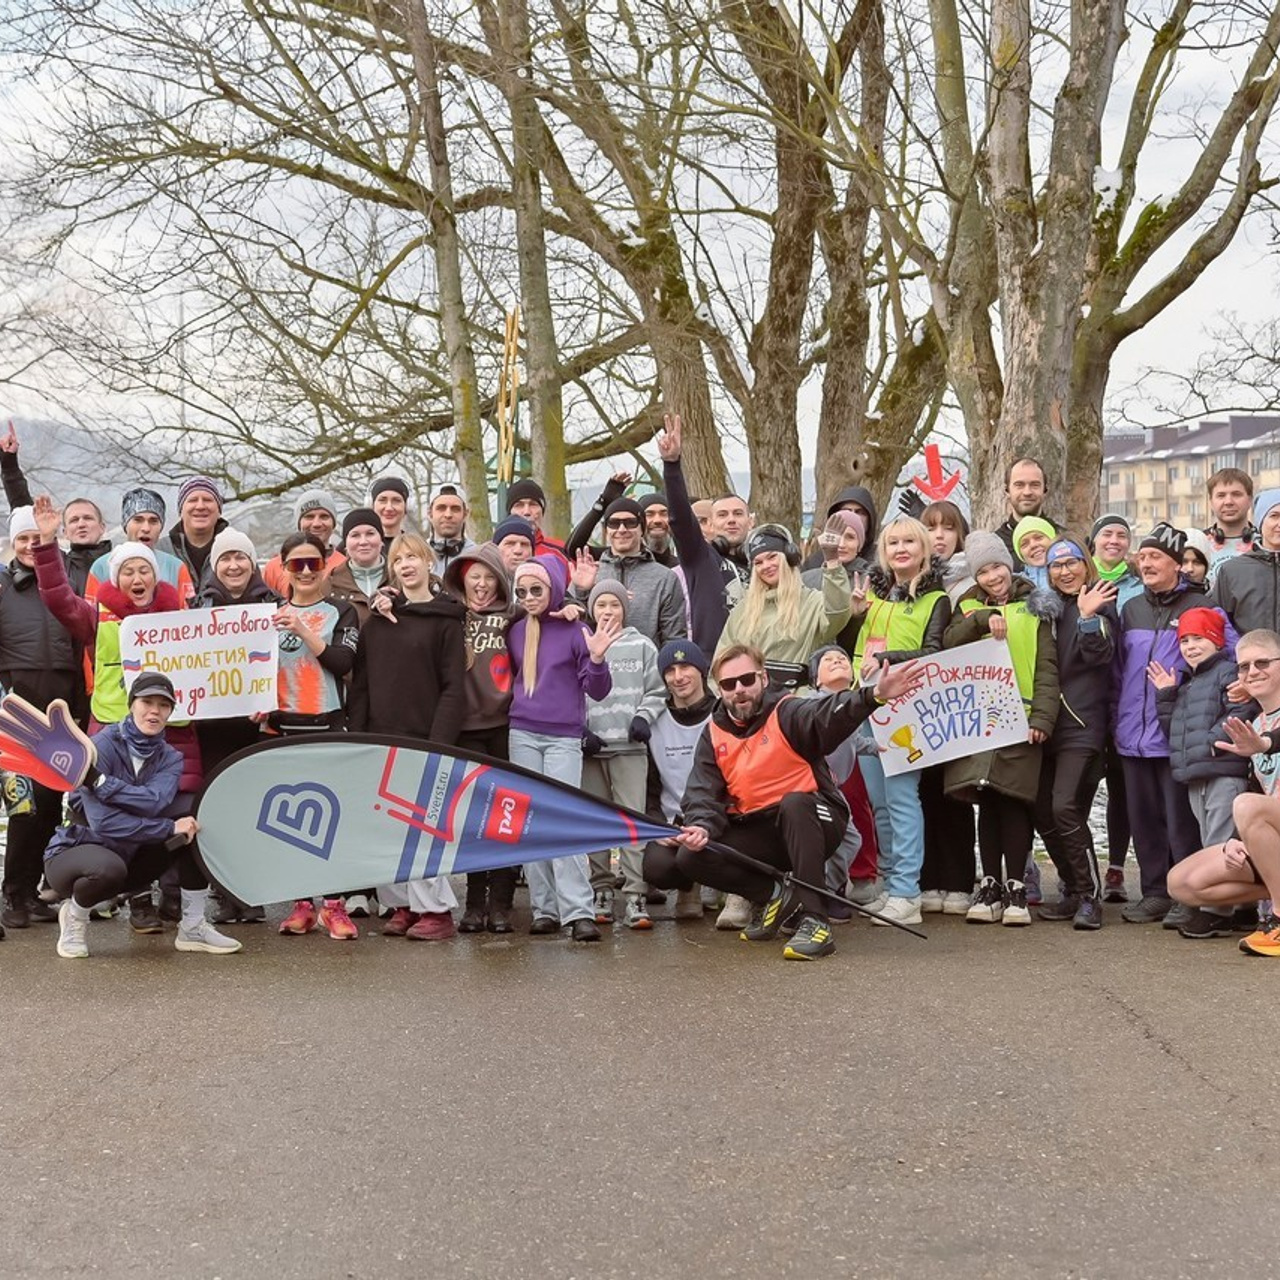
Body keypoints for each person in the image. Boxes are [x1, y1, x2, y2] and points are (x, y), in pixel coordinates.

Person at [670, 643, 923, 962]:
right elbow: (701, 793)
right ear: (719, 690)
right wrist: (701, 827)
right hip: (764, 830)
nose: (739, 690)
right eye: (729, 684)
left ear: (763, 678)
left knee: (794, 803)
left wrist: (872, 696)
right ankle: (775, 896)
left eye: (747, 679)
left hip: (818, 819)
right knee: (690, 856)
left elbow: (828, 713)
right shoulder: (713, 733)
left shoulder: (787, 710)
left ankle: (816, 922)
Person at [34, 498, 203, 933]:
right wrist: (48, 543)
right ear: (116, 578)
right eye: (127, 571)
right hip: (110, 735)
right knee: (118, 820)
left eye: (144, 570)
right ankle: (138, 903)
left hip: (174, 737)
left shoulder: (182, 619)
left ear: (155, 575)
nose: (136, 578)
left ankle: (181, 908)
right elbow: (56, 597)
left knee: (180, 816)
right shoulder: (97, 618)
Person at [45, 671, 241, 960]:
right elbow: (103, 823)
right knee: (108, 868)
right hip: (78, 853)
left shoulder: (170, 757)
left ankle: (192, 926)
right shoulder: (99, 746)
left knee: (194, 819)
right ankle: (75, 916)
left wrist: (102, 784)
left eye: (163, 705)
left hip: (130, 855)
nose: (154, 711)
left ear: (171, 712)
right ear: (131, 705)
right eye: (146, 702)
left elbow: (155, 801)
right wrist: (166, 827)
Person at [349, 532, 467, 942]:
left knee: (423, 829)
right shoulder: (377, 624)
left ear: (428, 563)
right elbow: (361, 685)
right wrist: (358, 734)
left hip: (425, 737)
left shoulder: (447, 620)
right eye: (398, 559)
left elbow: (454, 686)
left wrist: (440, 741)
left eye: (414, 557)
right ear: (391, 569)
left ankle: (436, 910)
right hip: (381, 736)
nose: (406, 564)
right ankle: (402, 904)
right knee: (388, 828)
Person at [1112, 522, 1232, 923]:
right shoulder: (1131, 608)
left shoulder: (1203, 606)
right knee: (1143, 818)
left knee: (1181, 820)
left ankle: (1187, 894)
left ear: (1177, 564)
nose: (1145, 564)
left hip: (1176, 731)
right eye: (1142, 557)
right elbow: (1117, 668)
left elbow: (1228, 656)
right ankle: (1154, 892)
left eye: (1155, 557)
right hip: (1131, 731)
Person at [943, 532, 1059, 927]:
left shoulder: (1035, 606)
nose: (994, 576)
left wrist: (1043, 718)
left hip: (1022, 718)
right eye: (984, 570)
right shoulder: (967, 606)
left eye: (997, 566)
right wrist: (978, 620)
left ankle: (1016, 886)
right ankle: (989, 880)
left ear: (1009, 565)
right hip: (980, 720)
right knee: (987, 802)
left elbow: (1047, 666)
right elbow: (948, 644)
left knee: (1015, 801)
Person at [845, 515, 951, 925]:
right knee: (880, 804)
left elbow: (934, 650)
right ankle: (891, 884)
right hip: (864, 704)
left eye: (910, 541)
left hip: (906, 708)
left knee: (903, 799)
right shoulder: (871, 594)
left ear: (924, 549)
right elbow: (851, 648)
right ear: (883, 552)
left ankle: (908, 891)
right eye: (893, 543)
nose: (901, 549)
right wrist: (854, 616)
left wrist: (890, 661)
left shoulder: (935, 599)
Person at [507, 554, 618, 941]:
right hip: (521, 732)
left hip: (563, 737)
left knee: (564, 819)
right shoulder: (516, 629)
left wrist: (599, 657)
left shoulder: (575, 629)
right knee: (530, 822)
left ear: (553, 588)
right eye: (520, 590)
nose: (528, 596)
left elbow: (598, 690)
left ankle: (577, 912)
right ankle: (544, 908)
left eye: (536, 589)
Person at [270, 532, 360, 941]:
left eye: (313, 563)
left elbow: (342, 661)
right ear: (284, 567)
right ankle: (301, 904)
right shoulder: (268, 613)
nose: (305, 571)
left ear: (326, 566)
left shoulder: (342, 611)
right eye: (296, 564)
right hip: (283, 727)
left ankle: (335, 906)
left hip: (328, 723)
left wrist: (303, 629)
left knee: (332, 819)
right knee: (290, 820)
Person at [1167, 629, 1280, 956]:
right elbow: (1261, 788)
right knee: (1182, 883)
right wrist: (1242, 842)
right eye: (1244, 667)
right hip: (1274, 834)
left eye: (1262, 663)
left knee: (1245, 805)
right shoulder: (1256, 723)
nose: (1253, 672)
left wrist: (1268, 744)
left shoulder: (1265, 734)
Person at [1147, 607, 1256, 937]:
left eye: (1199, 638)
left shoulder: (1226, 673)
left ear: (1216, 640)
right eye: (1185, 640)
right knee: (1211, 839)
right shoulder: (1188, 683)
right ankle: (1241, 906)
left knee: (1221, 842)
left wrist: (1212, 742)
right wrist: (1166, 696)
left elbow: (1240, 710)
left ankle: (1216, 911)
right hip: (1196, 773)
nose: (1191, 646)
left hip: (1223, 769)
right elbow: (1175, 730)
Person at [192, 527, 281, 925]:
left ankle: (252, 891)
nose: (233, 565)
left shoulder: (276, 607)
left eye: (240, 557)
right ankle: (223, 890)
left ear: (252, 563)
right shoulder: (196, 610)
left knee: (254, 808)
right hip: (211, 727)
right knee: (218, 810)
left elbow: (289, 665)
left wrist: (270, 703)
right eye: (225, 558)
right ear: (215, 566)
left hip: (258, 725)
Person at [0, 506, 80, 931]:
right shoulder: (3, 586)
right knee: (24, 807)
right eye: (23, 538)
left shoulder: (64, 581)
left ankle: (32, 892)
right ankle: (13, 892)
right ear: (14, 543)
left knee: (51, 807)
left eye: (38, 537)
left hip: (64, 707)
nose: (32, 545)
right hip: (19, 709)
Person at [1033, 539, 1117, 929]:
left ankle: (1088, 896)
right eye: (1056, 565)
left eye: (1072, 563)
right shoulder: (1045, 610)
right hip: (1045, 724)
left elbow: (1100, 655)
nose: (1064, 571)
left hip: (1083, 726)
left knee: (1065, 806)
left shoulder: (1102, 602)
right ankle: (1070, 887)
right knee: (1041, 810)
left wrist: (1086, 616)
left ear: (1086, 565)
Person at [441, 543, 521, 933]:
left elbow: (549, 600)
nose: (483, 585)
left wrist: (573, 602)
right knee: (474, 818)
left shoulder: (513, 615)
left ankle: (502, 903)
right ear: (462, 579)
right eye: (476, 577)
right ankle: (474, 903)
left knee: (504, 816)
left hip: (505, 726)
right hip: (466, 729)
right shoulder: (451, 616)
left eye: (490, 577)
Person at [580, 580, 665, 928]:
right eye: (601, 606)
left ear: (624, 611)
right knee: (595, 824)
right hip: (592, 749)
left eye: (614, 605)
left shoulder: (642, 645)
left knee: (631, 821)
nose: (608, 612)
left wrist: (644, 718)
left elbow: (657, 691)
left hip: (630, 747)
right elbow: (573, 691)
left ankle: (635, 894)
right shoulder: (583, 644)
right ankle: (600, 889)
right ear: (592, 610)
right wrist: (580, 730)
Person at [714, 523, 850, 691]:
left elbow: (839, 613)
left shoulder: (812, 602)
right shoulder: (744, 610)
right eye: (758, 562)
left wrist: (832, 562)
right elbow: (722, 661)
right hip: (752, 705)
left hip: (797, 706)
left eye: (772, 557)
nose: (766, 566)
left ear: (790, 557)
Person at [655, 413, 750, 648]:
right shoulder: (701, 558)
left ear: (751, 522)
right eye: (722, 515)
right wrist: (672, 465)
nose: (731, 520)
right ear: (710, 524)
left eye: (738, 514)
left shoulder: (766, 562)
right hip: (713, 668)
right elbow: (680, 520)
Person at [640, 639, 716, 923]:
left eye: (686, 667)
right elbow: (649, 787)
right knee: (657, 868)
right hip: (673, 822)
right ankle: (688, 887)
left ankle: (733, 892)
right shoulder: (654, 721)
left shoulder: (720, 714)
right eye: (670, 670)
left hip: (717, 817)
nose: (678, 676)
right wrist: (658, 827)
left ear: (701, 670)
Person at [0, 423, 111, 595]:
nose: (81, 524)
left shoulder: (118, 563)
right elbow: (24, 513)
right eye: (74, 520)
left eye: (88, 518)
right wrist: (9, 464)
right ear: (64, 532)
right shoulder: (58, 565)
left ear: (103, 527)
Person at [566, 497, 687, 648]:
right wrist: (582, 591)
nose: (622, 529)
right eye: (614, 523)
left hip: (646, 667)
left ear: (642, 528)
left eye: (630, 523)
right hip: (596, 666)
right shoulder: (591, 571)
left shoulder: (665, 578)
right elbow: (573, 628)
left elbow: (674, 638)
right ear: (606, 530)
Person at [87, 488, 194, 606]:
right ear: (125, 525)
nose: (146, 528)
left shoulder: (176, 567)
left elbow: (188, 616)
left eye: (153, 521)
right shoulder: (101, 567)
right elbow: (90, 616)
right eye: (138, 520)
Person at [1211, 488, 1280, 634]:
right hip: (1248, 656)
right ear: (1261, 522)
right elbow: (1219, 623)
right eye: (1274, 516)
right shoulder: (1232, 571)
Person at [261, 490, 346, 594]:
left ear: (333, 523)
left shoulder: (345, 566)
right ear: (299, 523)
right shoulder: (274, 568)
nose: (316, 523)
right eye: (309, 517)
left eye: (324, 516)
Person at [325, 508, 388, 629]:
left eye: (370, 533)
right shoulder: (331, 582)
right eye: (355, 535)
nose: (363, 542)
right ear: (346, 544)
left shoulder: (400, 576)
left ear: (381, 539)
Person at [161, 475, 228, 588]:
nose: (200, 506)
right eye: (192, 500)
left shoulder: (238, 548)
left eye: (207, 500)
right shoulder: (161, 550)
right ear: (181, 511)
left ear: (219, 510)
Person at [995, 458, 1062, 568]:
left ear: (1044, 490)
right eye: (1019, 485)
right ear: (1007, 491)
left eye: (1035, 485)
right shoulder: (996, 545)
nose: (1027, 492)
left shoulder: (1063, 538)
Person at [1204, 466, 1256, 574]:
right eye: (1221, 495)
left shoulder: (1266, 544)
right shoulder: (1198, 543)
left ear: (1250, 499)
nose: (1228, 502)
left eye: (1236, 495)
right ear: (1211, 502)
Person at [504, 479, 569, 564]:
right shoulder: (495, 552)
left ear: (542, 512)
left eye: (533, 504)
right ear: (510, 513)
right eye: (519, 505)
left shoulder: (562, 552)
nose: (527, 512)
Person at [426, 483, 476, 578]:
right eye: (441, 508)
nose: (448, 514)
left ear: (465, 514)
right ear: (430, 513)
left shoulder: (477, 556)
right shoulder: (417, 554)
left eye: (455, 509)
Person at [1011, 516, 1055, 589]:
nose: (1033, 545)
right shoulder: (1017, 585)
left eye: (1038, 538)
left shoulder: (1069, 575)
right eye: (1025, 544)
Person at [371, 475, 411, 545]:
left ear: (407, 506)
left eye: (396, 500)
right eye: (382, 500)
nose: (389, 508)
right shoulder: (359, 548)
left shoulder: (417, 548)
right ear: (372, 505)